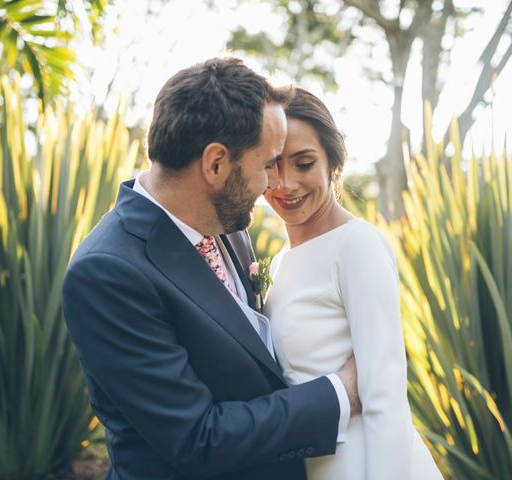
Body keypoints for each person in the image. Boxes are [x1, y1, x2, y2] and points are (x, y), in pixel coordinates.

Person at [61, 58, 360, 480]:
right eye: (268, 163)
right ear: (216, 164)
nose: (273, 183)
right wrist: (341, 393)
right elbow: (198, 439)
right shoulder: (108, 274)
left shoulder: (224, 222)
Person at [263, 88, 444, 480]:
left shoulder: (356, 245)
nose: (286, 183)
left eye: (304, 163)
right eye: (273, 165)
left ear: (332, 161)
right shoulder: (279, 263)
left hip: (369, 466)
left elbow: (385, 397)